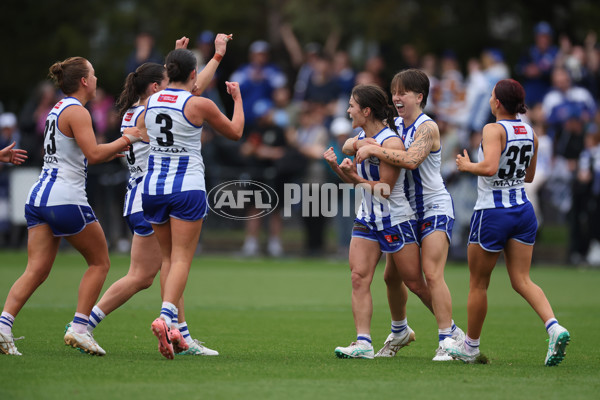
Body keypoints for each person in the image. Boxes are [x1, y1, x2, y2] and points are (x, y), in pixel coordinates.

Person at [84, 34, 232, 356]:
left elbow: (190, 92)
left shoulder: (141, 108)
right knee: (150, 271)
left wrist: (191, 59)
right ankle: (84, 324)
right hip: (156, 191)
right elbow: (192, 95)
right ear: (156, 86)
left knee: (168, 266)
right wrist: (212, 59)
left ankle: (182, 335)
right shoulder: (150, 110)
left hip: (143, 192)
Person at [0, 56, 143, 356]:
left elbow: (82, 151)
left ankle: (3, 326)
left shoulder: (57, 109)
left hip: (39, 196)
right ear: (83, 81)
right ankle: (80, 328)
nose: (96, 78)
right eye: (93, 73)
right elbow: (92, 153)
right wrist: (127, 139)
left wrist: (111, 149)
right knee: (100, 263)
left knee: (36, 269)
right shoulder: (78, 111)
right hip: (65, 198)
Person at [447, 79, 570, 366]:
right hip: (522, 211)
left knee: (478, 284)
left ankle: (471, 347)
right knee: (522, 279)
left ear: (498, 103)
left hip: (492, 212)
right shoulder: (531, 132)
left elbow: (489, 167)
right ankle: (554, 327)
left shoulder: (492, 129)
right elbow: (528, 177)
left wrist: (467, 166)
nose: (490, 100)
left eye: (492, 96)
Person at [354, 69, 464, 361]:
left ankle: (449, 338)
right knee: (392, 277)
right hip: (408, 211)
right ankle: (400, 330)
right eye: (394, 92)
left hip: (434, 207)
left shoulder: (428, 127)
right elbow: (366, 139)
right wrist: (361, 144)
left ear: (420, 97)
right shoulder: (396, 125)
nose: (396, 98)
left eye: (403, 92)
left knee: (429, 274)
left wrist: (371, 148)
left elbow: (412, 161)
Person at [143, 48, 244, 360]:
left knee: (167, 259)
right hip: (186, 187)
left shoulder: (151, 99)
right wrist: (238, 100)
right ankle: (165, 318)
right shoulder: (200, 104)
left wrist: (216, 55)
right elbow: (236, 132)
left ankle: (179, 332)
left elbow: (186, 91)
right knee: (183, 258)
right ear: (191, 75)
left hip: (153, 187)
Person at [323, 84, 432, 359]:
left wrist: (356, 176)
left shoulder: (391, 143)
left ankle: (453, 332)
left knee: (415, 283)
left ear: (366, 110)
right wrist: (338, 167)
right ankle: (363, 343)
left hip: (395, 219)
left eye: (352, 106)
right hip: (367, 219)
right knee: (359, 277)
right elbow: (356, 182)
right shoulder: (360, 137)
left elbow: (384, 188)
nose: (348, 110)